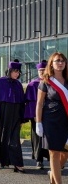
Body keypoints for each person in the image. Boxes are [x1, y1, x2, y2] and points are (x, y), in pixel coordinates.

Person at [0, 60, 25, 172]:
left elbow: (21, 103)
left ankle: (17, 163)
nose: (17, 74)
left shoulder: (18, 84)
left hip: (15, 115)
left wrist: (22, 118)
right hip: (1, 114)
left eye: (18, 72)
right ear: (9, 71)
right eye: (15, 71)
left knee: (15, 139)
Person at [36, 52, 68, 184]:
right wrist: (38, 122)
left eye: (62, 61)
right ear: (51, 63)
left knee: (65, 152)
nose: (60, 63)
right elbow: (39, 103)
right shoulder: (46, 81)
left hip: (66, 120)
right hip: (51, 121)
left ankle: (53, 174)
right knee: (54, 153)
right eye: (57, 61)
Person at [24, 60, 49, 169]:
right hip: (36, 115)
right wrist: (34, 115)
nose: (41, 72)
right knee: (37, 138)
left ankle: (52, 160)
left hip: (49, 115)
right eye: (40, 70)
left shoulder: (51, 82)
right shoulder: (32, 84)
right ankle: (39, 160)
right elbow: (29, 102)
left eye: (43, 70)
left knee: (49, 137)